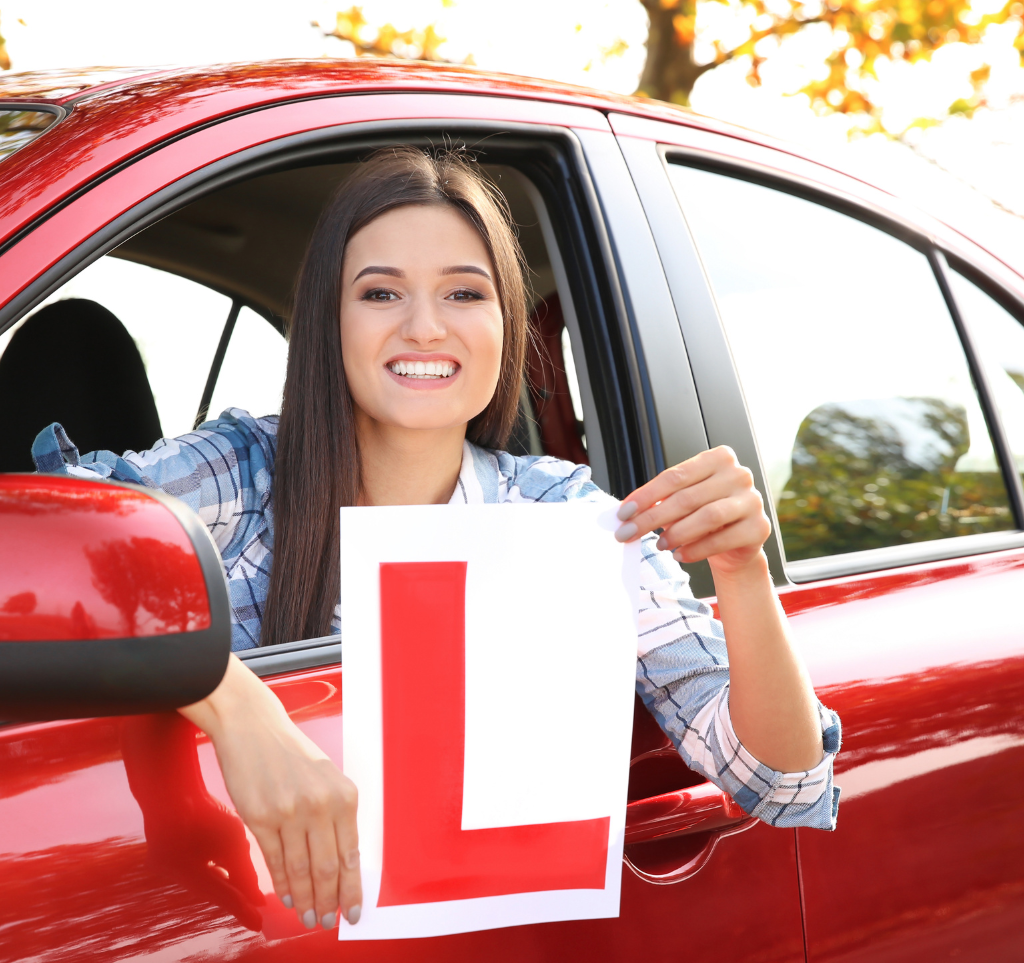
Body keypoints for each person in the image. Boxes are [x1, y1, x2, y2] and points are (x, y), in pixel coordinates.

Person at [34, 147, 841, 935]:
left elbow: (781, 779)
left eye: (464, 292)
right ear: (330, 322)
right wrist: (236, 704)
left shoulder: (563, 516)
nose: (425, 328)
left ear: (504, 322)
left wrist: (739, 570)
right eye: (381, 293)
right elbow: (51, 539)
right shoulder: (245, 472)